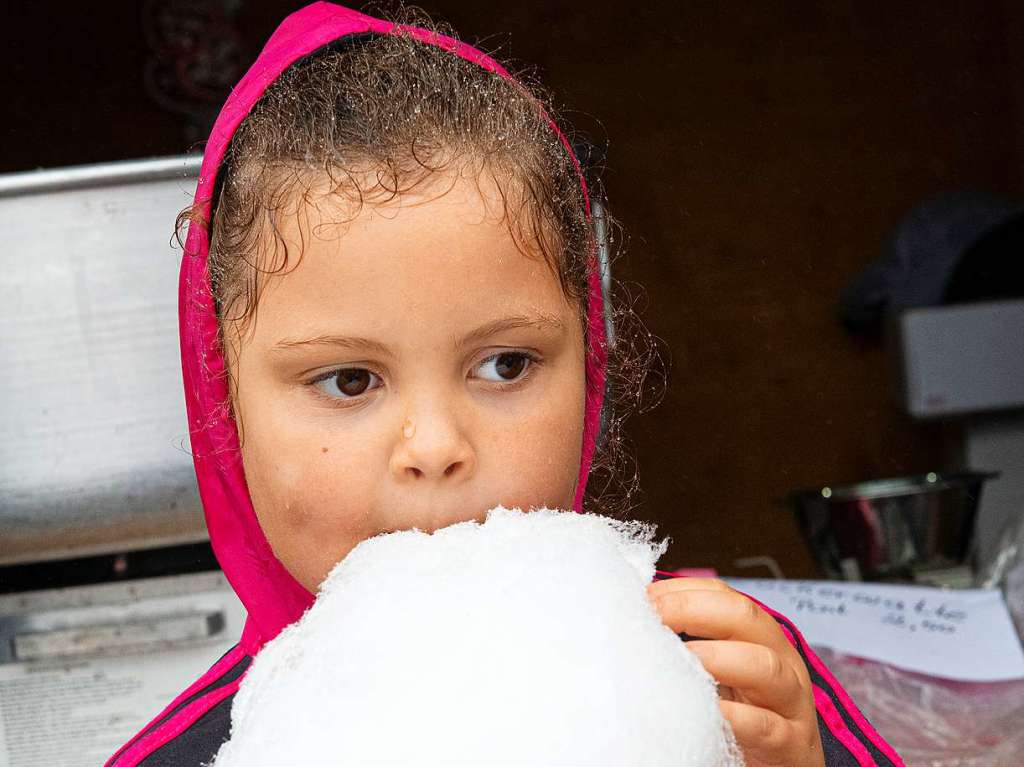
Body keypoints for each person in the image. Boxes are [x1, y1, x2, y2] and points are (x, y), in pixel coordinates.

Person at [104, 3, 904, 766]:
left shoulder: (741, 686)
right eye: (349, 380)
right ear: (225, 409)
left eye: (505, 365)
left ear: (590, 365)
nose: (437, 447)